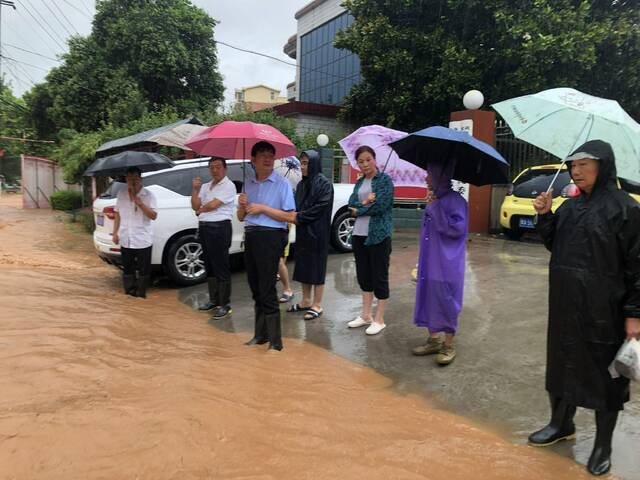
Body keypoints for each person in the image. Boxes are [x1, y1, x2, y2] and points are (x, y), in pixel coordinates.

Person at [530, 140, 640, 476]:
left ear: (603, 165)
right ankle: (560, 424)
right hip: (565, 305)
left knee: (605, 377)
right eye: (572, 165)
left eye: (583, 164)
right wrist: (545, 214)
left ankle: (602, 445)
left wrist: (634, 316)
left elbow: (637, 267)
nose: (575, 171)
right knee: (561, 365)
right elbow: (554, 244)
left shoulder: (625, 209)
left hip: (604, 310)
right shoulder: (570, 206)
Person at [238, 141, 296, 351]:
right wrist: (243, 206)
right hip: (251, 236)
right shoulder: (247, 184)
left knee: (267, 288)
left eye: (271, 154)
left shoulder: (282, 184)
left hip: (271, 237)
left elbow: (291, 216)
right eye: (262, 154)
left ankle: (276, 343)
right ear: (253, 159)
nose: (268, 158)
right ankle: (260, 335)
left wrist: (263, 208)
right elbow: (240, 217)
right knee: (255, 287)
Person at [412, 160, 468, 365]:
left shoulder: (456, 201)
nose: (425, 178)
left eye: (429, 174)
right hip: (430, 259)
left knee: (447, 299)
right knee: (430, 296)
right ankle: (434, 340)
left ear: (440, 176)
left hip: (447, 264)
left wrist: (435, 209)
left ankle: (448, 344)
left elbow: (457, 230)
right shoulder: (433, 198)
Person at [346, 145, 394, 335]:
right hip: (359, 235)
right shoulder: (359, 183)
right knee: (364, 275)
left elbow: (381, 207)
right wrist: (364, 202)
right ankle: (366, 315)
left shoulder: (385, 181)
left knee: (379, 276)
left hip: (379, 235)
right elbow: (350, 204)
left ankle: (379, 319)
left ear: (375, 159)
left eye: (368, 159)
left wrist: (360, 210)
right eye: (361, 161)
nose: (365, 164)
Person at [287, 149, 334, 320]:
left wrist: (299, 217)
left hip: (318, 233)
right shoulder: (301, 184)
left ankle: (317, 304)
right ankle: (306, 300)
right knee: (304, 266)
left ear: (314, 163)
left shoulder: (324, 184)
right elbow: (297, 205)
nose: (303, 167)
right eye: (301, 163)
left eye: (306, 163)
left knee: (317, 268)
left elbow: (320, 208)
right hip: (303, 232)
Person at [191, 158, 237, 319]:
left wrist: (200, 210)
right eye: (212, 167)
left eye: (218, 167)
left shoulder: (229, 185)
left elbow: (213, 205)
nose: (215, 170)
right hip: (205, 228)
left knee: (221, 265)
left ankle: (225, 304)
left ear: (225, 169)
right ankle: (214, 300)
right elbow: (195, 206)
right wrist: (195, 190)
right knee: (209, 265)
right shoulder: (205, 186)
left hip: (220, 228)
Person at [112, 166, 158, 298]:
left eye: (135, 178)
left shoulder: (148, 195)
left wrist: (141, 204)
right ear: (126, 179)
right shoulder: (121, 194)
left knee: (144, 269)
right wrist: (115, 232)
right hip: (126, 238)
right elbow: (117, 213)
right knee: (127, 268)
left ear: (140, 178)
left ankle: (141, 293)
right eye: (129, 178)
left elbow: (154, 216)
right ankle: (129, 293)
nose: (132, 181)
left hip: (142, 239)